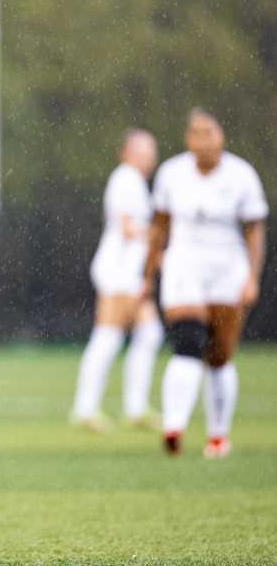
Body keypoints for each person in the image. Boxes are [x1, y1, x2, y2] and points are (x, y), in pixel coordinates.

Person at [144, 108, 267, 458]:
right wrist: (148, 272)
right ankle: (174, 426)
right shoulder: (172, 173)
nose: (203, 140)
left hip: (228, 267)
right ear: (188, 139)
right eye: (196, 133)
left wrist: (251, 277)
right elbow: (160, 226)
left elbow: (254, 231)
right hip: (184, 266)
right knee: (187, 341)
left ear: (221, 136)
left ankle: (217, 434)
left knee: (219, 354)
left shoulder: (242, 175)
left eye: (209, 132)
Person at [70, 130, 163, 431]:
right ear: (127, 152)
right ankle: (85, 409)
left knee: (149, 333)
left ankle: (135, 408)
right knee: (107, 337)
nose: (151, 156)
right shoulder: (125, 179)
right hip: (118, 273)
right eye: (145, 150)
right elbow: (126, 228)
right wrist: (160, 238)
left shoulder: (135, 182)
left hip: (130, 274)